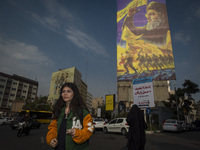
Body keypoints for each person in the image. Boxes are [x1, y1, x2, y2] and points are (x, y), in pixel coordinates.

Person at [46, 82, 94, 150]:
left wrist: (76, 133)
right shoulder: (58, 111)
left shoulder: (83, 112)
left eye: (68, 91)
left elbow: (89, 130)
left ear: (74, 93)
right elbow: (52, 128)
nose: (65, 93)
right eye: (63, 91)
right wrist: (51, 139)